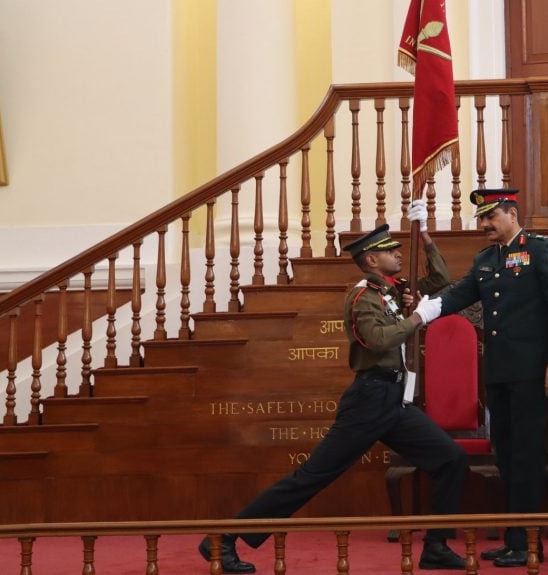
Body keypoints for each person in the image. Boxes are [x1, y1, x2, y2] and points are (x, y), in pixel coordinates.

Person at [198, 201, 467, 573]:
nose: (397, 253)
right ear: (371, 260)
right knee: (311, 478)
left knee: (451, 459)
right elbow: (378, 340)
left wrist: (425, 236)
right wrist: (418, 317)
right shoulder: (362, 298)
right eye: (390, 250)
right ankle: (222, 539)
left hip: (393, 401)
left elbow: (440, 279)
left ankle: (436, 547)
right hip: (369, 400)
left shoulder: (392, 291)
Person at [435, 188, 548, 568]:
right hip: (499, 373)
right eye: (482, 218)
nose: (484, 224)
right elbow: (459, 296)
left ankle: (528, 543)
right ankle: (514, 539)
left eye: (491, 216)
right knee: (507, 456)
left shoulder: (540, 250)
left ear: (512, 214)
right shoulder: (486, 258)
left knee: (527, 456)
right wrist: (423, 310)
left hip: (532, 373)